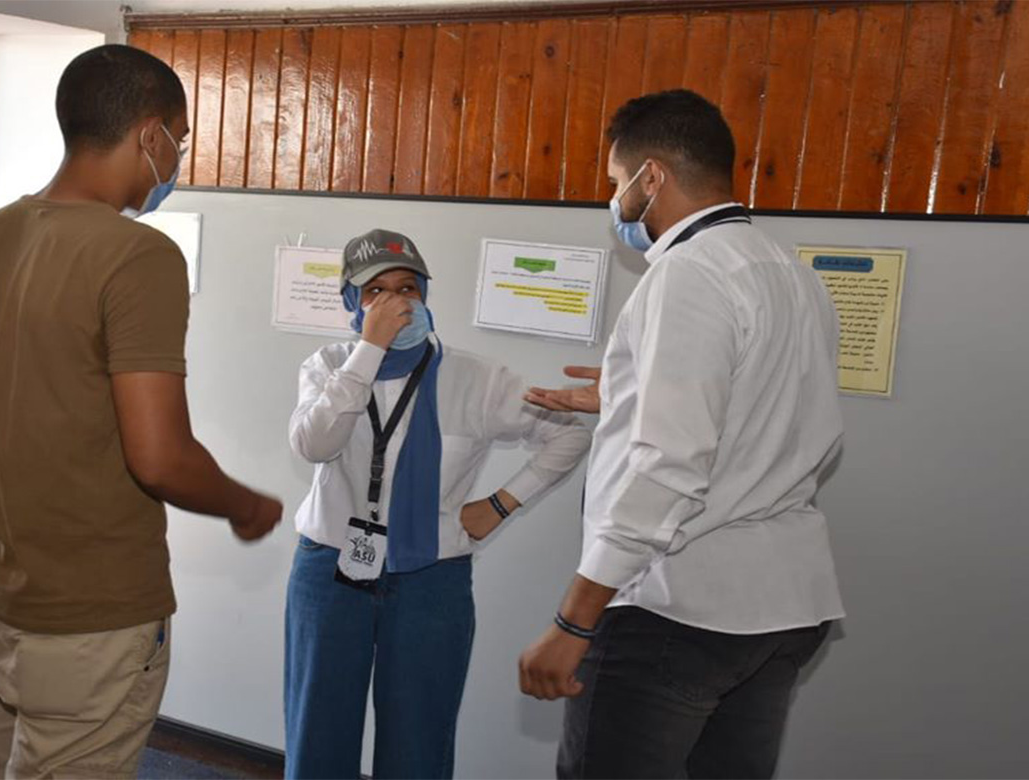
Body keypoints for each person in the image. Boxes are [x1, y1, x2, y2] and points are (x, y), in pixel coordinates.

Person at [0, 44, 282, 779]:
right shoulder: (139, 256)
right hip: (91, 617)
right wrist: (243, 503)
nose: (177, 161)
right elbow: (159, 455)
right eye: (181, 142)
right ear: (150, 134)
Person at [518, 89, 845, 778]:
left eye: (615, 183)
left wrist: (575, 620)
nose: (616, 203)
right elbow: (772, 418)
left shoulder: (687, 273)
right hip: (782, 609)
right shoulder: (795, 276)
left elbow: (669, 467)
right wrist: (628, 400)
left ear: (653, 176)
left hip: (677, 611)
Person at [284, 228, 592, 779]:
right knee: (317, 736)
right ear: (352, 303)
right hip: (329, 571)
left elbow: (570, 431)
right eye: (375, 291)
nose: (397, 303)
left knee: (419, 744)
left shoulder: (476, 378)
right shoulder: (328, 366)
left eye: (408, 288)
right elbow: (314, 443)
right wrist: (366, 354)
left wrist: (501, 503)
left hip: (431, 580)